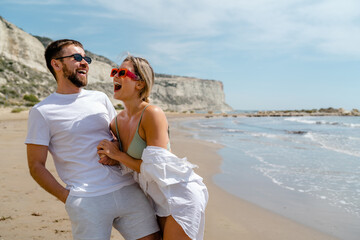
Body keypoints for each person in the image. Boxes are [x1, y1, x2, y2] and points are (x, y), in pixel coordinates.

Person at [25, 39, 161, 240]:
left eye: (86, 58)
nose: (84, 63)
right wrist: (67, 197)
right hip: (87, 199)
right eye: (77, 58)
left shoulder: (100, 98)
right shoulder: (42, 111)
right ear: (56, 64)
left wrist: (115, 149)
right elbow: (36, 166)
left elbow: (119, 137)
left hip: (128, 189)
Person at [97, 55, 209, 240]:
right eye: (114, 72)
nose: (115, 76)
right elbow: (122, 159)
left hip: (179, 196)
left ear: (140, 84)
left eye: (122, 72)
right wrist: (112, 155)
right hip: (154, 200)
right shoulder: (115, 123)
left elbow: (156, 168)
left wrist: (117, 154)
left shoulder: (152, 114)